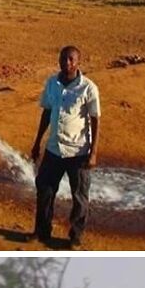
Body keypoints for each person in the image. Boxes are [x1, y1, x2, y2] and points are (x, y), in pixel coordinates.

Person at [31, 44, 100, 248]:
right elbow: (46, 113)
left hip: (78, 152)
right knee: (44, 189)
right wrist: (37, 143)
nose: (66, 63)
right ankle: (42, 232)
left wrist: (93, 152)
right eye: (63, 59)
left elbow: (96, 119)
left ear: (78, 62)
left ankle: (76, 237)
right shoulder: (52, 83)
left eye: (71, 59)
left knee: (79, 197)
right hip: (54, 149)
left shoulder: (88, 87)